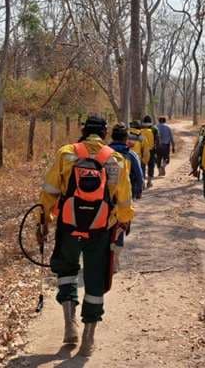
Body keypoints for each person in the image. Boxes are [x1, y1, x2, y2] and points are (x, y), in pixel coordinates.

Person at [37, 116, 134, 357]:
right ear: (104, 133)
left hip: (69, 225)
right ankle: (88, 339)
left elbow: (50, 189)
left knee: (66, 269)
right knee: (95, 278)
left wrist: (45, 220)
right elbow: (124, 199)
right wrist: (123, 221)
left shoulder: (66, 153)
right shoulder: (116, 159)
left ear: (83, 131)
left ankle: (70, 325)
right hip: (100, 229)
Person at [109, 123, 144, 201]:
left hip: (108, 195)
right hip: (127, 195)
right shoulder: (131, 154)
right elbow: (139, 175)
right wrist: (139, 191)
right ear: (126, 138)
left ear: (112, 137)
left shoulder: (104, 152)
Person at [140, 115, 159, 188]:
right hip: (151, 150)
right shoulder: (154, 129)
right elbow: (157, 140)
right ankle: (149, 181)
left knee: (142, 166)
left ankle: (142, 182)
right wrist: (157, 150)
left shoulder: (141, 128)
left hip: (142, 150)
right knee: (151, 166)